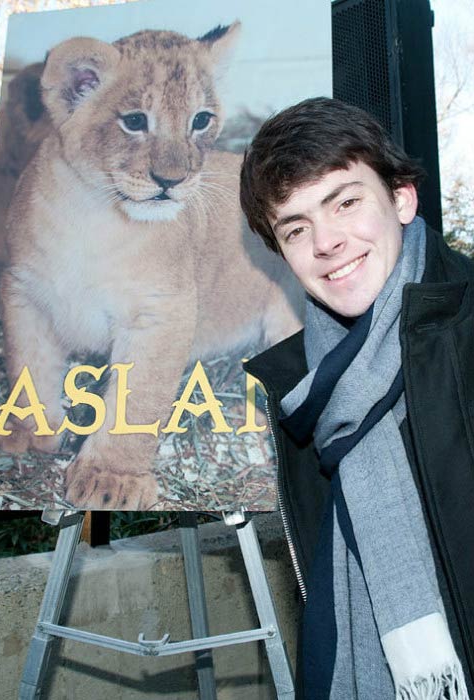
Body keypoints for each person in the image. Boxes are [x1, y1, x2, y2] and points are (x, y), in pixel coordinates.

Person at [240, 97, 474, 700]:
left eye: (345, 202)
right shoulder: (300, 391)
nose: (327, 242)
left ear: (401, 198)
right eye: (296, 228)